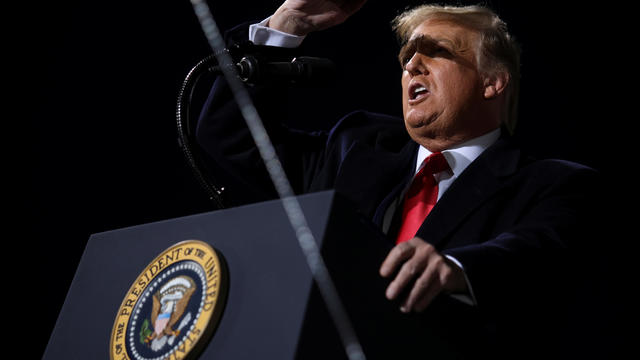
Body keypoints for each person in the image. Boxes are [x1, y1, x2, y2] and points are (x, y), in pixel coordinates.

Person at [196, 1, 603, 358]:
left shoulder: (554, 184)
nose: (411, 65)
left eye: (436, 51)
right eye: (407, 55)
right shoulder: (353, 149)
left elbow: (535, 253)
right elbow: (230, 137)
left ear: (492, 82)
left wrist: (455, 268)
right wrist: (289, 23)